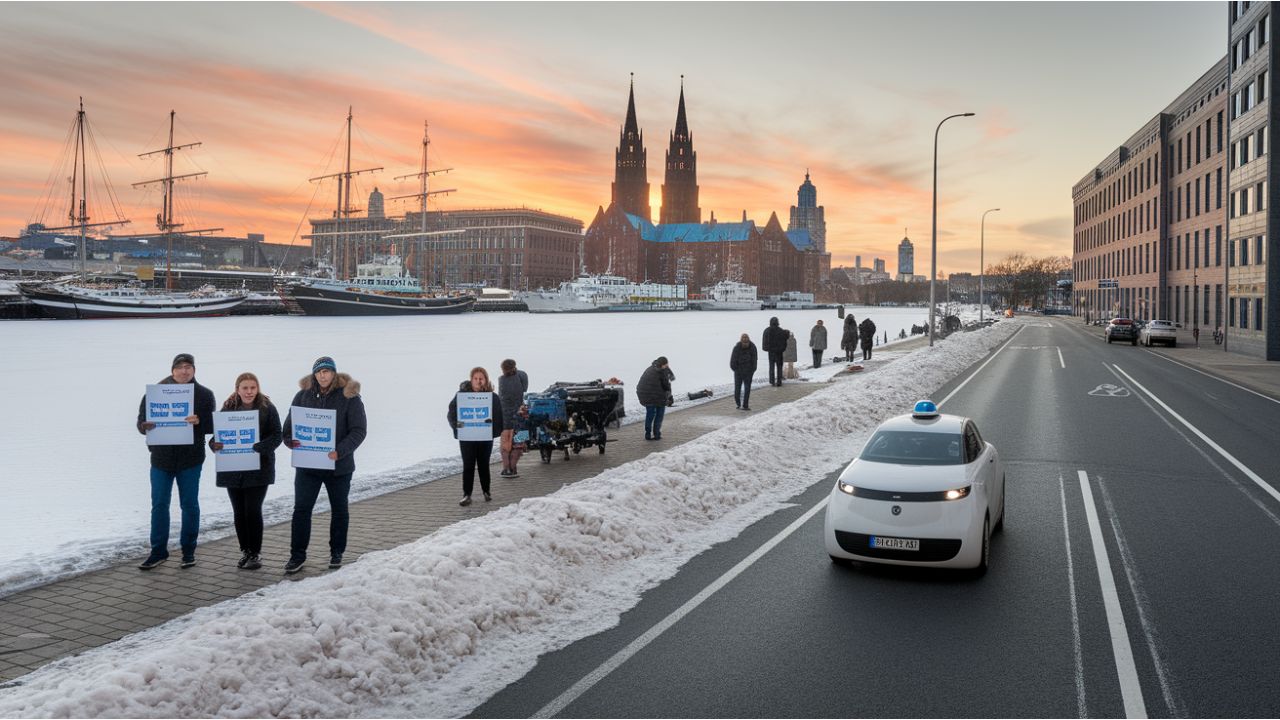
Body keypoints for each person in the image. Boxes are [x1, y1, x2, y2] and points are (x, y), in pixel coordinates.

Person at [282, 356, 367, 575]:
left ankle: (336, 552)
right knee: (301, 510)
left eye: (327, 371)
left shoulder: (349, 397)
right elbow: (288, 428)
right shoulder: (302, 396)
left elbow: (358, 431)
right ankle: (297, 555)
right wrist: (291, 440)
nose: (323, 375)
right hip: (308, 467)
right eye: (319, 372)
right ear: (314, 374)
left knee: (339, 510)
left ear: (334, 374)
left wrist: (340, 451)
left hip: (338, 466)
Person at [136, 353, 215, 570]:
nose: (184, 371)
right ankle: (158, 551)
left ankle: (188, 551)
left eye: (188, 367)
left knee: (189, 505)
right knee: (159, 505)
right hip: (161, 459)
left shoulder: (204, 394)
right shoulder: (155, 393)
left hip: (190, 460)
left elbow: (212, 426)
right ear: (172, 370)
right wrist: (145, 426)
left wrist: (199, 421)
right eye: (180, 367)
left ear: (194, 370)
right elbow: (140, 423)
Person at [208, 372, 282, 571]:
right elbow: (216, 438)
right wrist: (214, 444)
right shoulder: (228, 409)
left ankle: (255, 553)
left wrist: (260, 447)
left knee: (252, 510)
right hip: (232, 469)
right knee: (239, 512)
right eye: (245, 388)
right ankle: (245, 551)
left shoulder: (267, 408)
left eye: (253, 387)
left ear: (257, 388)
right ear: (237, 389)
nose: (249, 392)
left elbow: (277, 436)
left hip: (259, 468)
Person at [449, 367, 505, 506]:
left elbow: (498, 416)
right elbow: (451, 413)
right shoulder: (461, 396)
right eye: (476, 378)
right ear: (471, 380)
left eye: (481, 378)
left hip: (485, 436)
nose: (478, 381)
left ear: (485, 380)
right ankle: (466, 495)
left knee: (483, 465)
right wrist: (458, 426)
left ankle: (486, 491)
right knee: (468, 466)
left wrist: (492, 429)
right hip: (467, 437)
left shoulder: (492, 397)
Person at [497, 359, 529, 478]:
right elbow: (525, 389)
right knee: (519, 443)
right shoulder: (522, 375)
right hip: (520, 415)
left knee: (506, 444)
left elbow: (501, 397)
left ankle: (507, 469)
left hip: (505, 416)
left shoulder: (501, 379)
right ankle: (513, 467)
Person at [637, 356, 673, 440]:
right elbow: (666, 386)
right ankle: (657, 434)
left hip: (645, 395)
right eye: (666, 364)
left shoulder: (650, 369)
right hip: (654, 396)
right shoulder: (662, 372)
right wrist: (669, 397)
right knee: (659, 413)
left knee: (650, 414)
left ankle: (648, 434)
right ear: (663, 364)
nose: (667, 366)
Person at [729, 333, 757, 411]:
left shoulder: (737, 347)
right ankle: (745, 405)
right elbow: (755, 360)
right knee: (747, 389)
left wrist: (735, 369)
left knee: (737, 388)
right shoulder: (752, 347)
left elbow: (733, 360)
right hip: (748, 371)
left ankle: (738, 403)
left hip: (739, 371)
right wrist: (753, 369)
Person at [761, 317, 787, 386]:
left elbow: (764, 342)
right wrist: (782, 349)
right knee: (779, 367)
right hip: (779, 352)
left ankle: (772, 381)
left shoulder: (767, 330)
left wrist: (767, 348)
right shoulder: (781, 330)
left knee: (771, 367)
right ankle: (779, 381)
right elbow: (784, 342)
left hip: (771, 352)